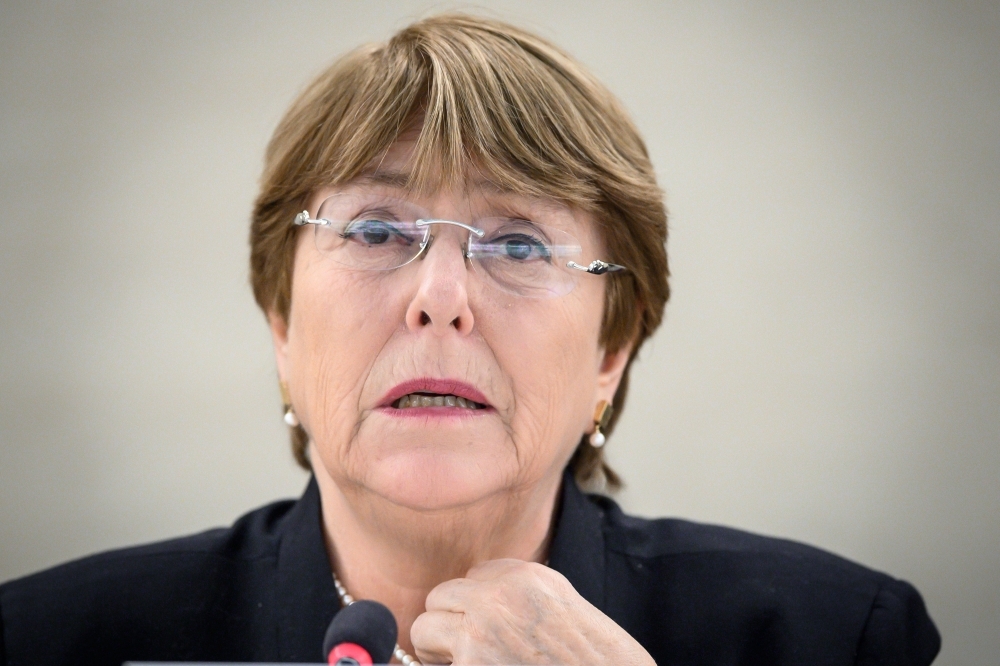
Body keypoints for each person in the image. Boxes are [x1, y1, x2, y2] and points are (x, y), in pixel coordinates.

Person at [0, 13, 940, 666]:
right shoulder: (50, 641)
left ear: (610, 352)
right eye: (375, 230)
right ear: (282, 320)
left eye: (520, 243)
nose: (440, 299)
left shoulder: (832, 640)